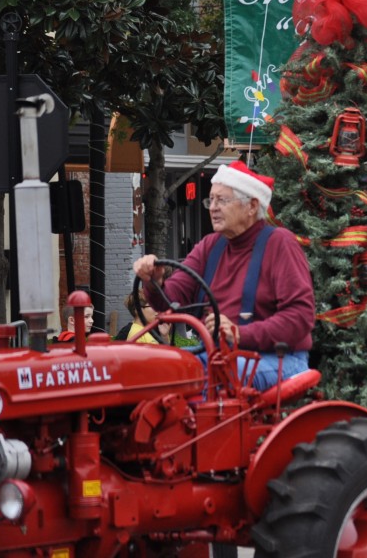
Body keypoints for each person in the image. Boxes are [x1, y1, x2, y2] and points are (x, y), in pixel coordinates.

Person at [133, 160, 314, 391]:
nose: (213, 207)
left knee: (216, 374)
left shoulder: (280, 243)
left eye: (223, 200)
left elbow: (300, 317)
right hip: (218, 356)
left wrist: (239, 334)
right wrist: (154, 281)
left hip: (279, 359)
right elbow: (170, 303)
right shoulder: (210, 246)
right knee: (157, 370)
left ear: (252, 206)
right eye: (212, 200)